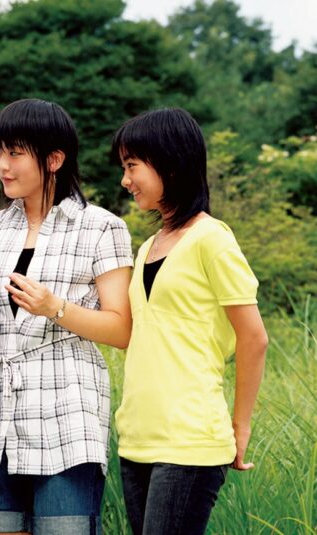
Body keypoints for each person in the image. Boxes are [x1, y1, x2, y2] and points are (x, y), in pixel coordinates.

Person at [0, 98, 134, 535]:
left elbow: (121, 328)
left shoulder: (101, 227)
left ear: (54, 159)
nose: (2, 165)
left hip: (68, 414)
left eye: (15, 153)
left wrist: (56, 308)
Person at [111, 107, 268, 535]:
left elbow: (254, 338)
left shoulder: (212, 239)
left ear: (171, 162)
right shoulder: (146, 248)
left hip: (191, 439)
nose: (125, 180)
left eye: (132, 166)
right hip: (138, 438)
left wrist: (241, 422)